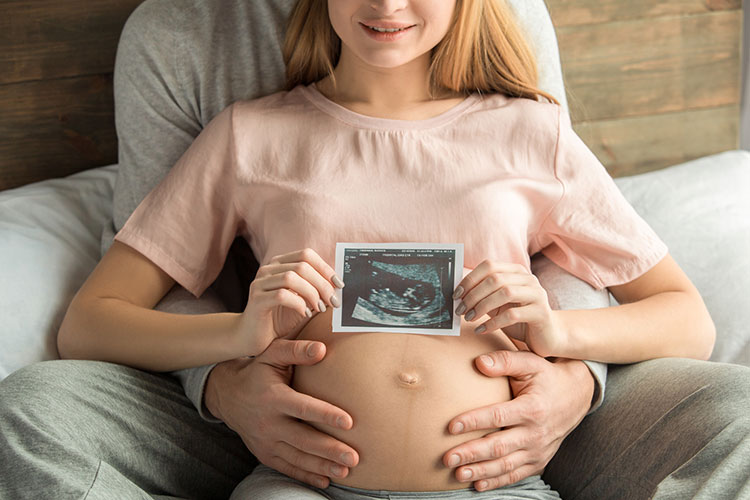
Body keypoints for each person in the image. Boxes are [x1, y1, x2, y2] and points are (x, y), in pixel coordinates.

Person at [0, 1, 748, 500]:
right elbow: (92, 321)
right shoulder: (250, 134)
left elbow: (686, 318)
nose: (386, 5)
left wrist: (564, 337)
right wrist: (234, 340)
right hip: (297, 481)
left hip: (489, 482)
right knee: (29, 410)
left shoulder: (530, 132)